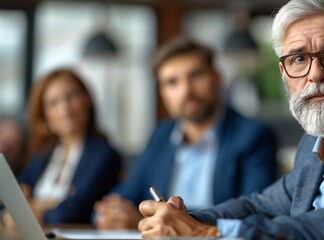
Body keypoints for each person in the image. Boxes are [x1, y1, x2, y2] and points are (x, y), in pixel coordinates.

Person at [137, 0, 324, 239]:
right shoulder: (315, 141)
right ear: (284, 74)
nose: (315, 74)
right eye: (298, 59)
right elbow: (259, 205)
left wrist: (211, 234)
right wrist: (182, 218)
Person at [94, 37, 279, 229]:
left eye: (196, 76)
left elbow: (255, 213)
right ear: (162, 92)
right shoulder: (160, 135)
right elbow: (126, 196)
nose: (186, 90)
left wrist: (160, 220)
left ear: (217, 78)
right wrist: (111, 213)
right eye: (172, 82)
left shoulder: (253, 136)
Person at [1, 69, 122, 228]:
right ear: (44, 115)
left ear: (87, 100)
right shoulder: (41, 156)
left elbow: (74, 210)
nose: (65, 109)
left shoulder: (103, 155)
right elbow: (10, 201)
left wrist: (29, 207)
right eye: (53, 103)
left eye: (71, 97)